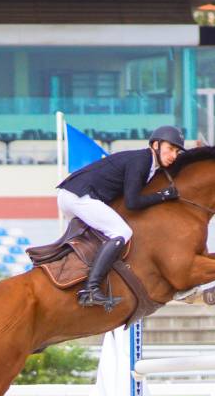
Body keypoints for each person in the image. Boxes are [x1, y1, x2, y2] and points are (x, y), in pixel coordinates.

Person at [55, 125, 186, 308]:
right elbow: (132, 203)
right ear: (155, 144)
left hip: (72, 194)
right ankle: (91, 289)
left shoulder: (149, 164)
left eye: (177, 152)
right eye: (170, 149)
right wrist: (163, 196)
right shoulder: (142, 160)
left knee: (99, 239)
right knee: (121, 231)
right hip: (77, 195)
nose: (174, 155)